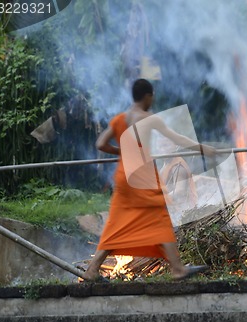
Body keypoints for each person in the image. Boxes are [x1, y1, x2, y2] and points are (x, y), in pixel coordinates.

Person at [82, 79, 215, 281]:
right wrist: (202, 148)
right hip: (143, 177)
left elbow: (100, 143)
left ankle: (92, 270)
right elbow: (177, 139)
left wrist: (121, 151)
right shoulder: (148, 118)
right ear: (147, 96)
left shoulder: (120, 119)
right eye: (152, 96)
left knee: (116, 223)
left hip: (124, 177)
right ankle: (178, 269)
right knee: (160, 218)